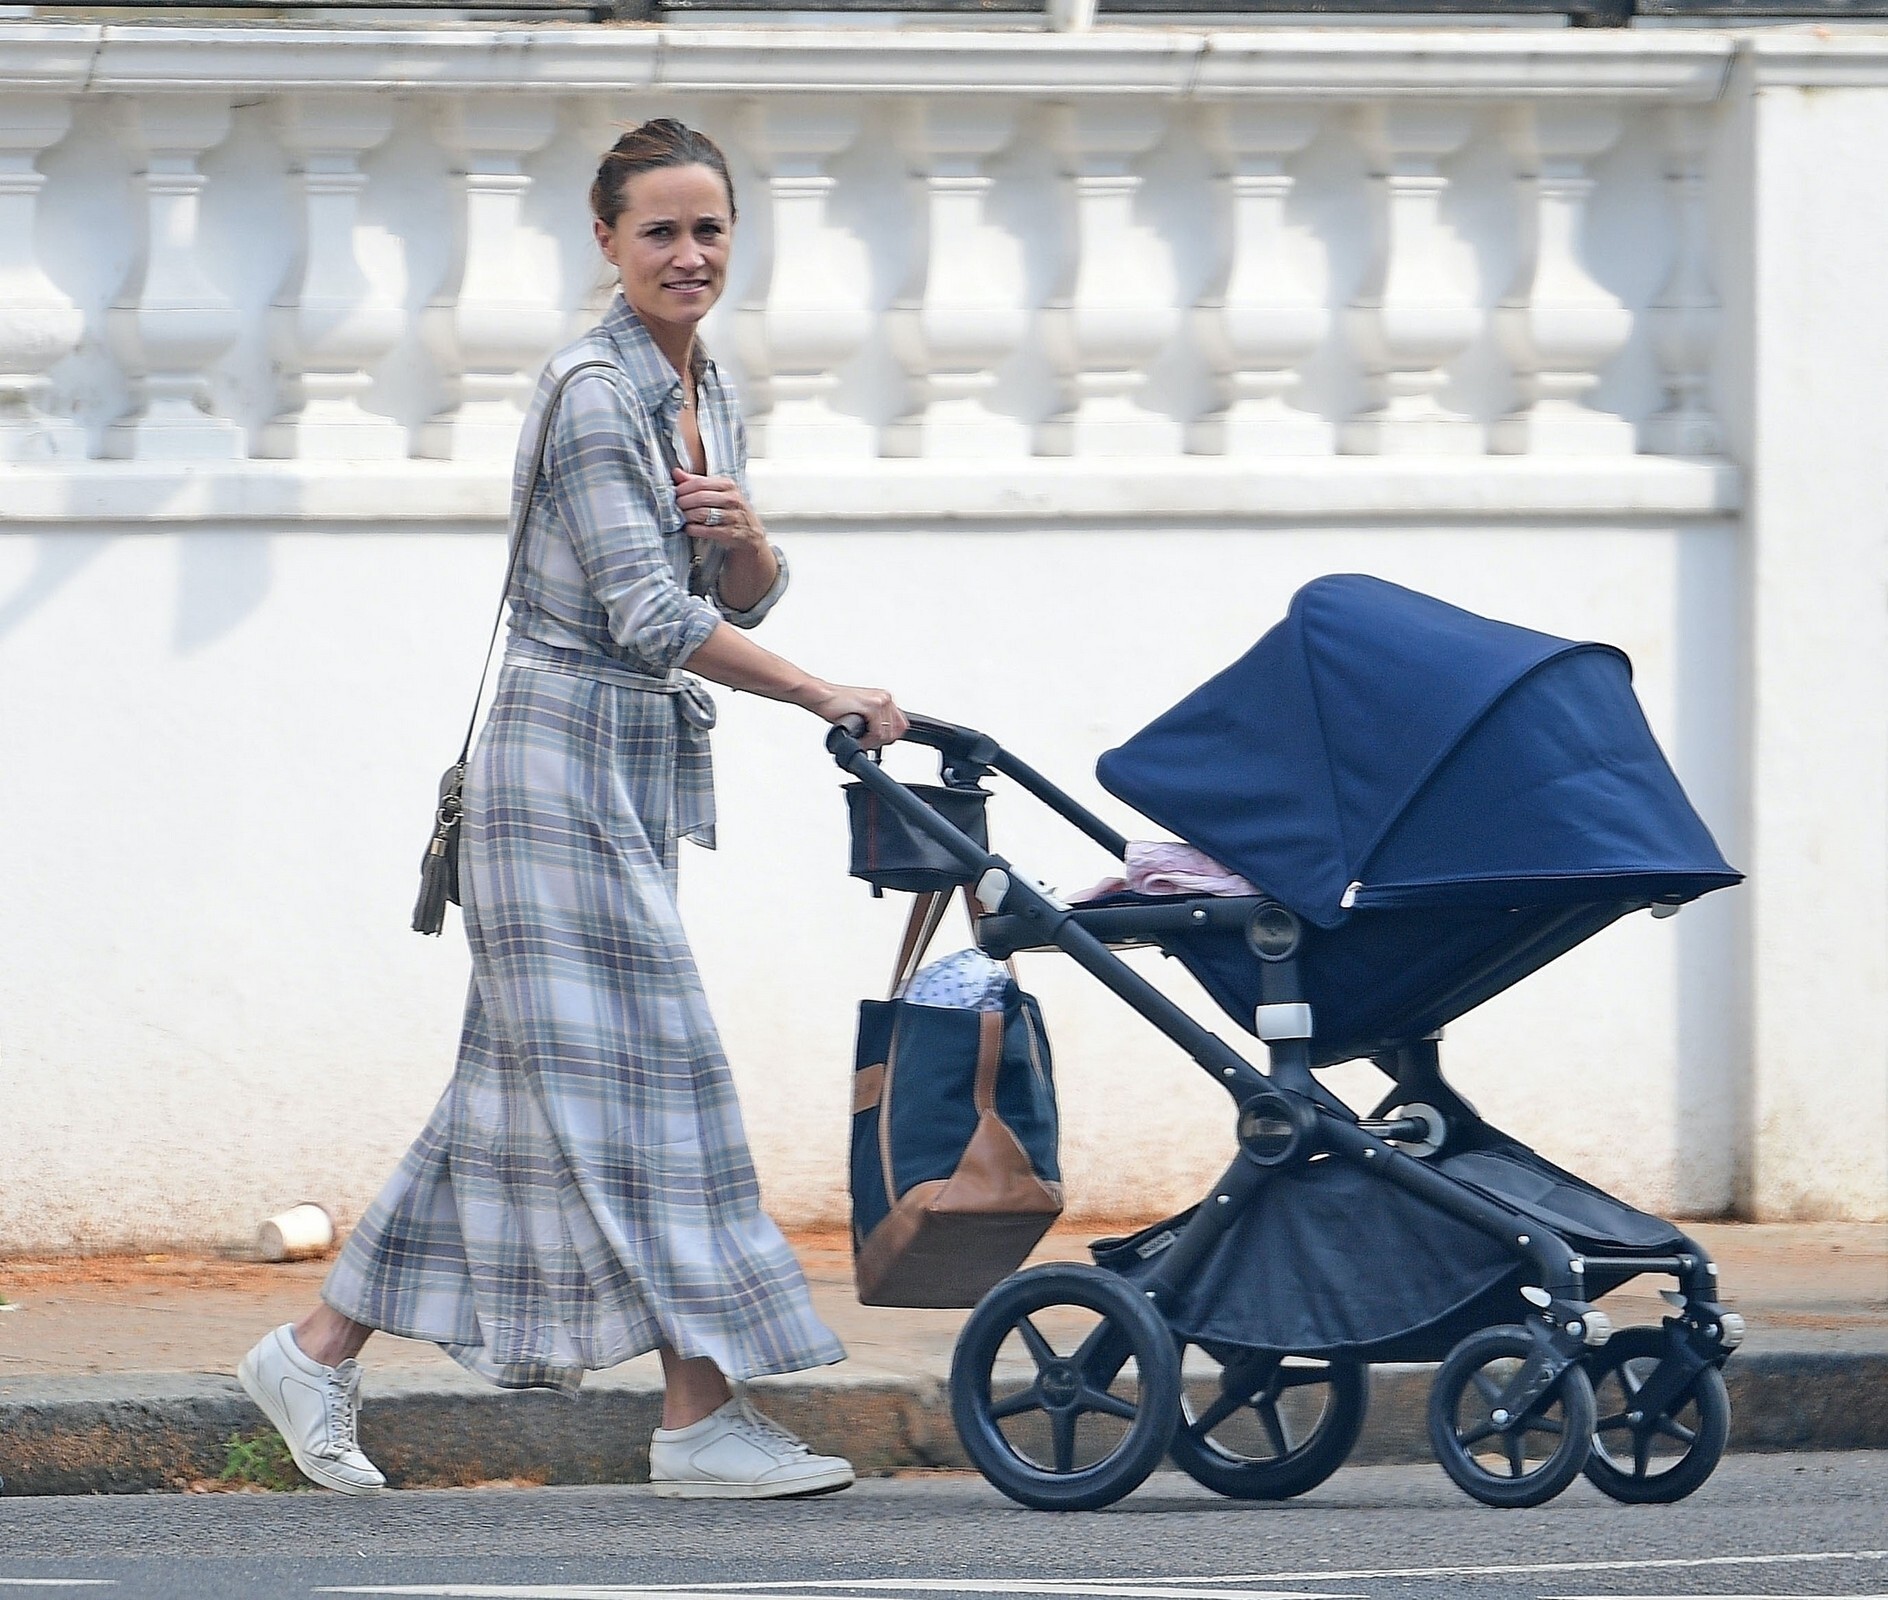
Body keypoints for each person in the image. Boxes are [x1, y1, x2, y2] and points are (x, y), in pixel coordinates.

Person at [239, 117, 908, 1501]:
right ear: (606, 241)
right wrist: (821, 692)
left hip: (628, 771)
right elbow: (651, 617)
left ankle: (312, 1353)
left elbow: (732, 592)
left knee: (523, 1095)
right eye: (659, 231)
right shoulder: (597, 392)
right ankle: (699, 1418)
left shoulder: (705, 381)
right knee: (665, 1082)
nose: (688, 253)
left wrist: (749, 539)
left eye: (709, 228)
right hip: (553, 771)